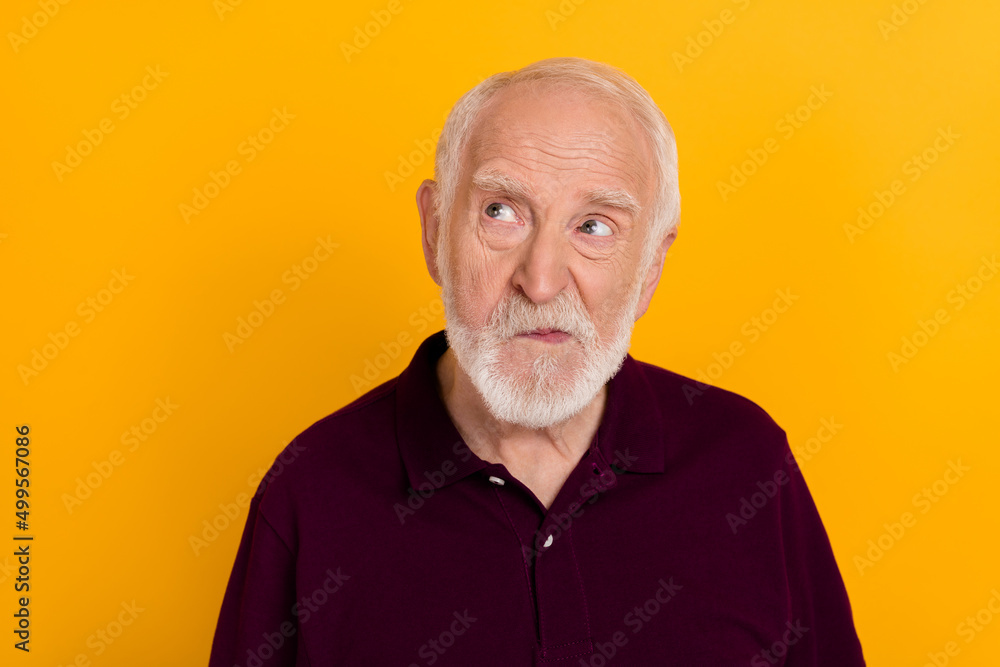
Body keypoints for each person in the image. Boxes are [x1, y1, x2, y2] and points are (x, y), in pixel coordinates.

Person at [208, 56, 865, 666]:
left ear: (651, 267)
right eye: (502, 212)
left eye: (595, 225)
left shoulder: (745, 465)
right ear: (435, 230)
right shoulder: (312, 494)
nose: (542, 280)